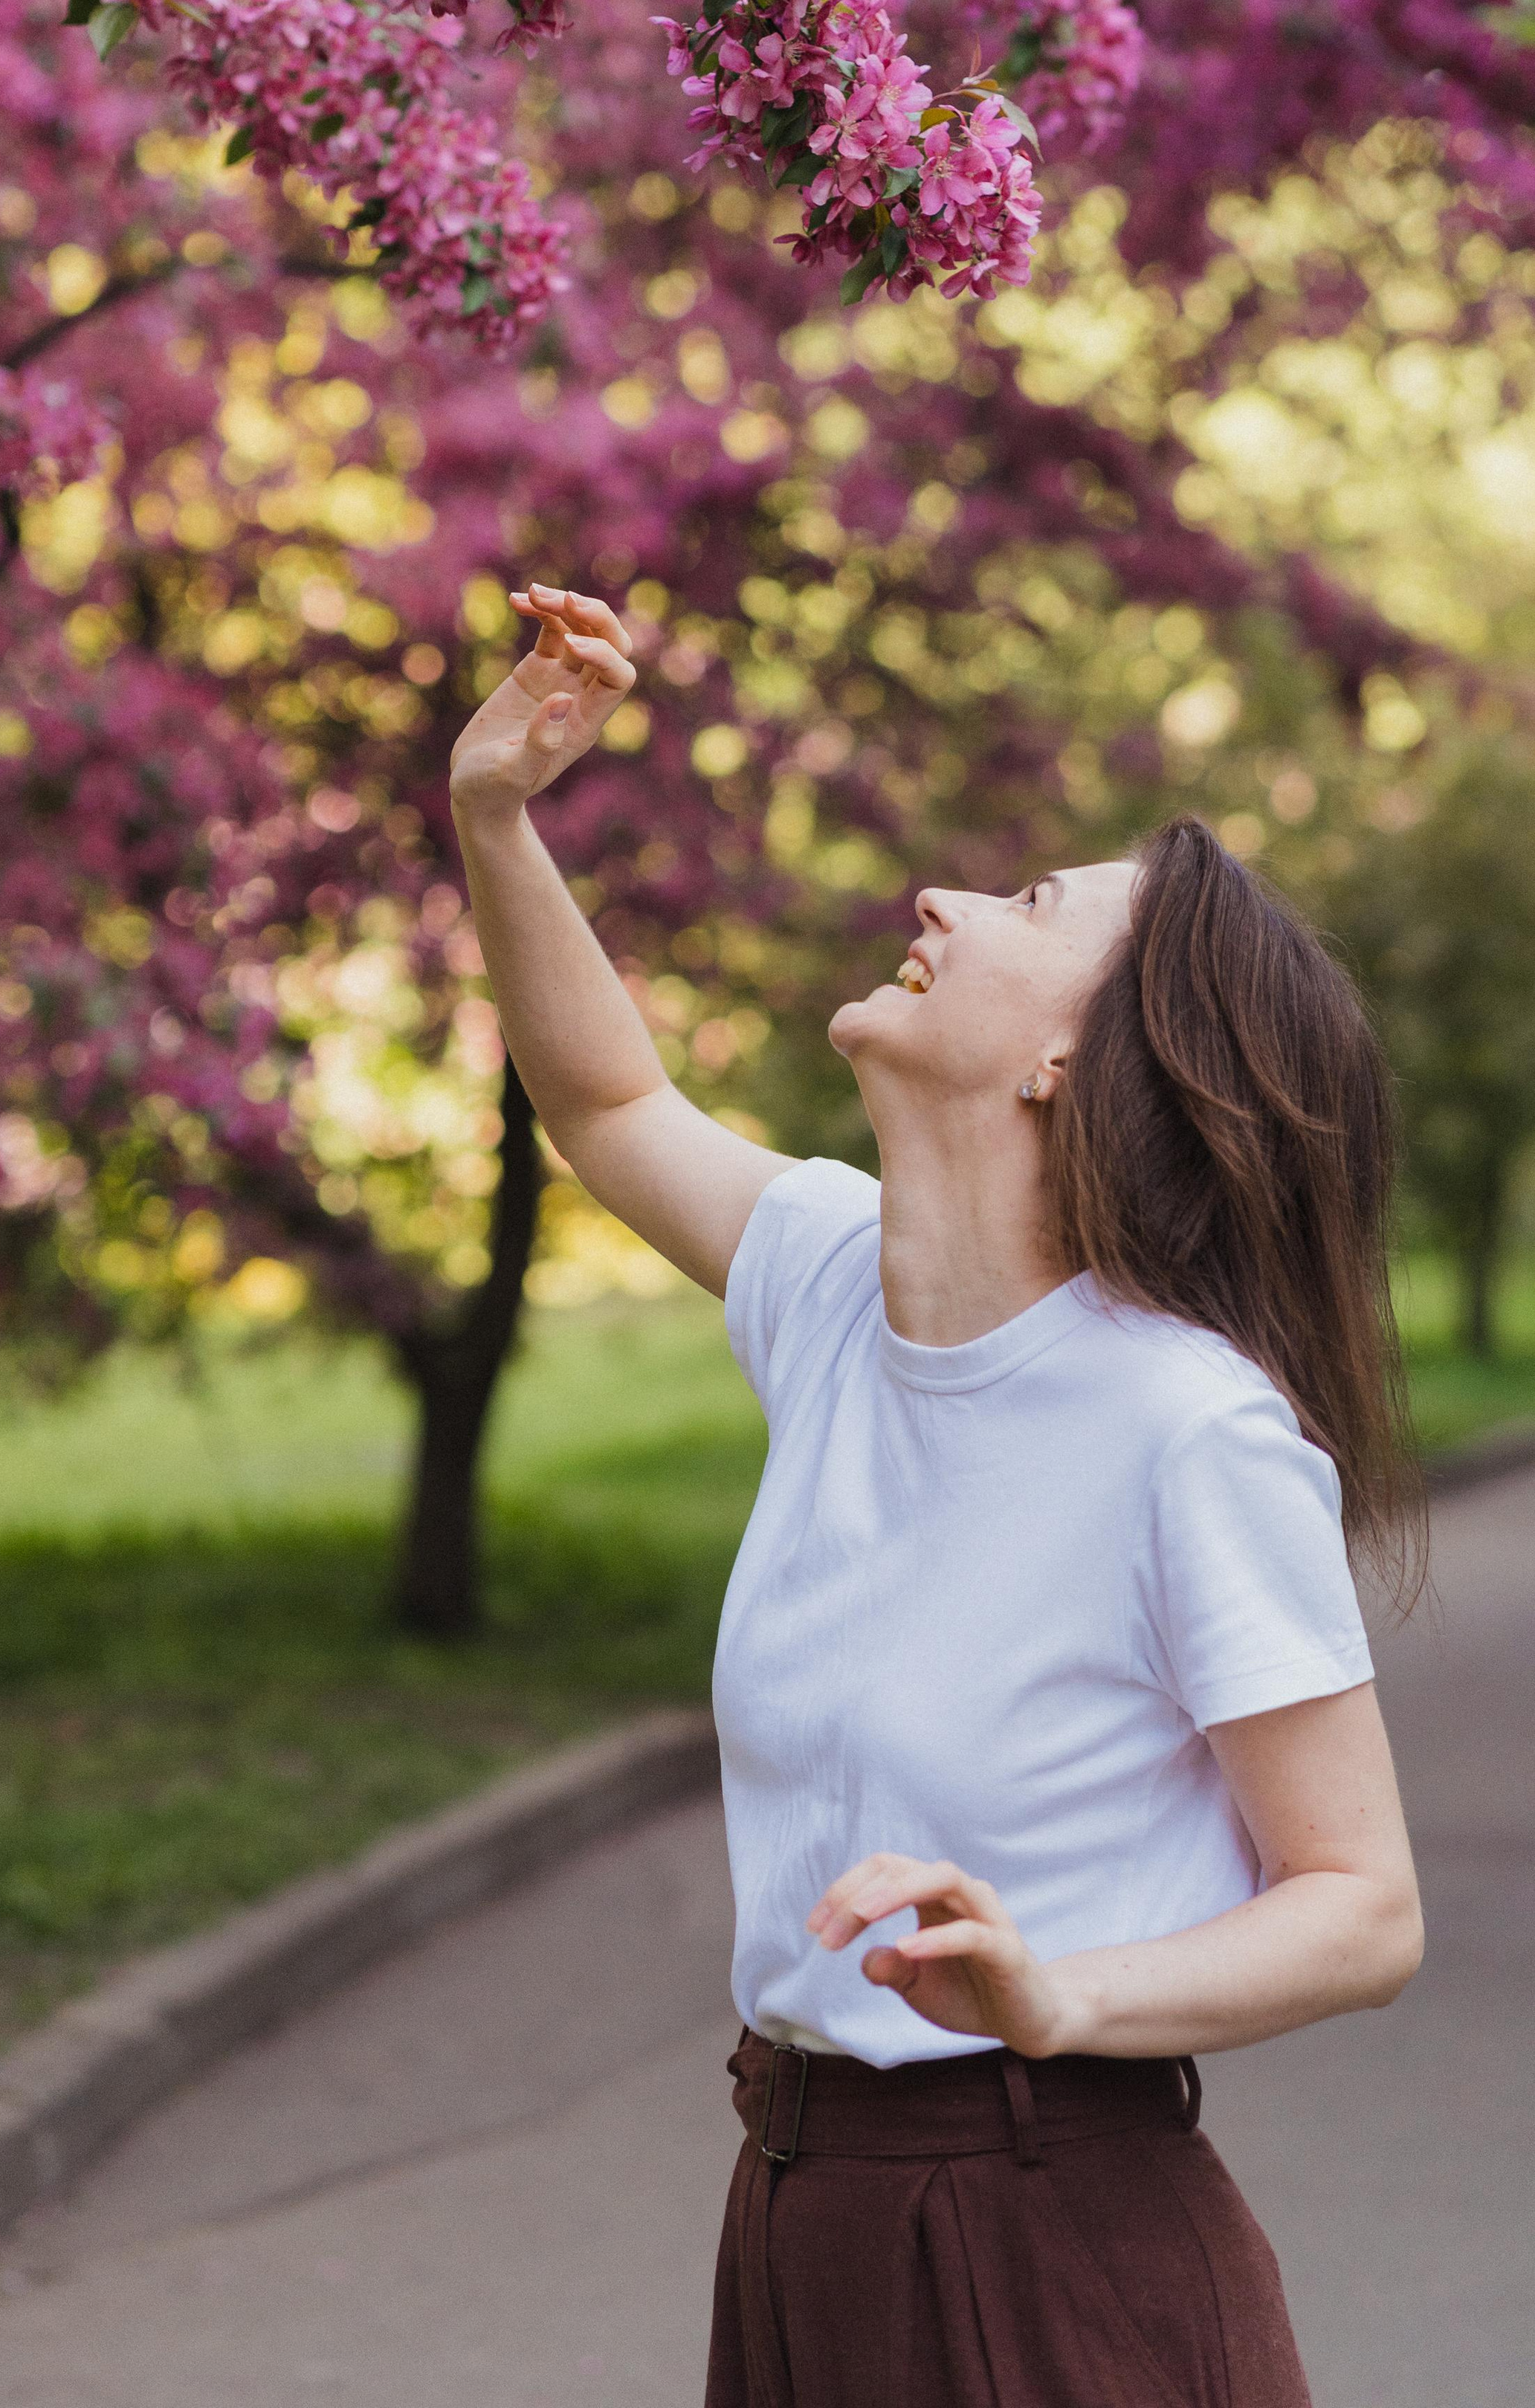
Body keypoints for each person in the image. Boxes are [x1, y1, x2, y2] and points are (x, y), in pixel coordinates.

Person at [449, 578, 1426, 2408]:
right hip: (804, 2204)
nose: (944, 902)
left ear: (1073, 1062)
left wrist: (1058, 1995)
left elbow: (1360, 1902)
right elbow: (600, 1101)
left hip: (1053, 2243)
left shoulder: (1181, 1431)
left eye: (1026, 908)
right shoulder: (834, 1282)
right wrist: (494, 807)